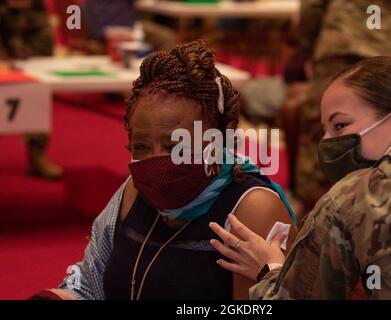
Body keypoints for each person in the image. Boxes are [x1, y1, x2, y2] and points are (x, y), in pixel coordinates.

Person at [31, 40, 297, 300]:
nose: (156, 161)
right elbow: (91, 283)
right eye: (142, 146)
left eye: (175, 146)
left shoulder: (253, 211)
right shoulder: (134, 190)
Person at [209, 56, 391, 299]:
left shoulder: (352, 196)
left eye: (340, 125)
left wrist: (270, 269)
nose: (326, 142)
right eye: (324, 129)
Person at [291, 0, 391, 213]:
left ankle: (316, 208)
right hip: (382, 38)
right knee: (382, 125)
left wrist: (308, 50)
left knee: (322, 126)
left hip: (338, 39)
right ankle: (382, 201)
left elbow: (312, 7)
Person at [0, 0, 62, 180]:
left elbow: (45, 43)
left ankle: (37, 156)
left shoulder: (36, 9)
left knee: (38, 92)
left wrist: (26, 57)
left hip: (26, 62)